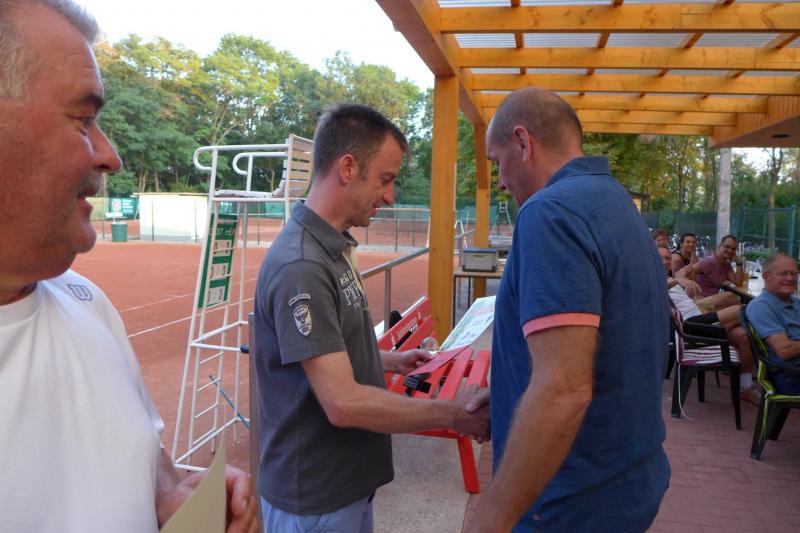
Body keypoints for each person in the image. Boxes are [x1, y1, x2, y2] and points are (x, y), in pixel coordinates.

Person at [0, 2, 257, 531]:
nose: (110, 155)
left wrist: (169, 496)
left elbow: (142, 453)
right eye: (83, 120)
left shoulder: (85, 300)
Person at [253, 103, 489, 533]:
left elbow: (330, 350)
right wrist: (453, 414)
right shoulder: (302, 266)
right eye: (385, 178)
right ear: (347, 168)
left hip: (346, 487)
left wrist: (395, 361)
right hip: (317, 500)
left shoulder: (331, 247)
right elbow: (342, 402)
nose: (391, 195)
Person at [464, 87, 670, 532]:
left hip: (568, 499)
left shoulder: (550, 212)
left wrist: (492, 518)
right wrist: (510, 398)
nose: (500, 181)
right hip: (627, 481)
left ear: (523, 142)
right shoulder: (615, 201)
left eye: (497, 162)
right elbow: (610, 344)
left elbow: (563, 390)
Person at [657, 247, 757, 403]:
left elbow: (691, 300)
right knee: (743, 310)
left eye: (667, 258)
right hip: (690, 328)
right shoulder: (653, 280)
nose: (665, 261)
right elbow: (653, 293)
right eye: (661, 258)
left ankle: (745, 387)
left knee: (741, 335)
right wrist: (678, 280)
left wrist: (682, 278)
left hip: (699, 319)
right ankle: (771, 350)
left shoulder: (668, 277)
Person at [745, 253, 800, 394]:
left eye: (794, 273)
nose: (790, 278)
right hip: (790, 375)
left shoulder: (795, 302)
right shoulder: (761, 306)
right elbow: (785, 350)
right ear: (766, 276)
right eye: (783, 273)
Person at [679, 234, 744, 310]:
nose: (730, 250)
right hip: (700, 301)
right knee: (730, 297)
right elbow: (689, 273)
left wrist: (739, 263)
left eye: (733, 249)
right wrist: (697, 295)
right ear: (719, 246)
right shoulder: (710, 261)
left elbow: (738, 283)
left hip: (711, 302)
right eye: (727, 247)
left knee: (736, 307)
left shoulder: (727, 266)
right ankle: (696, 305)